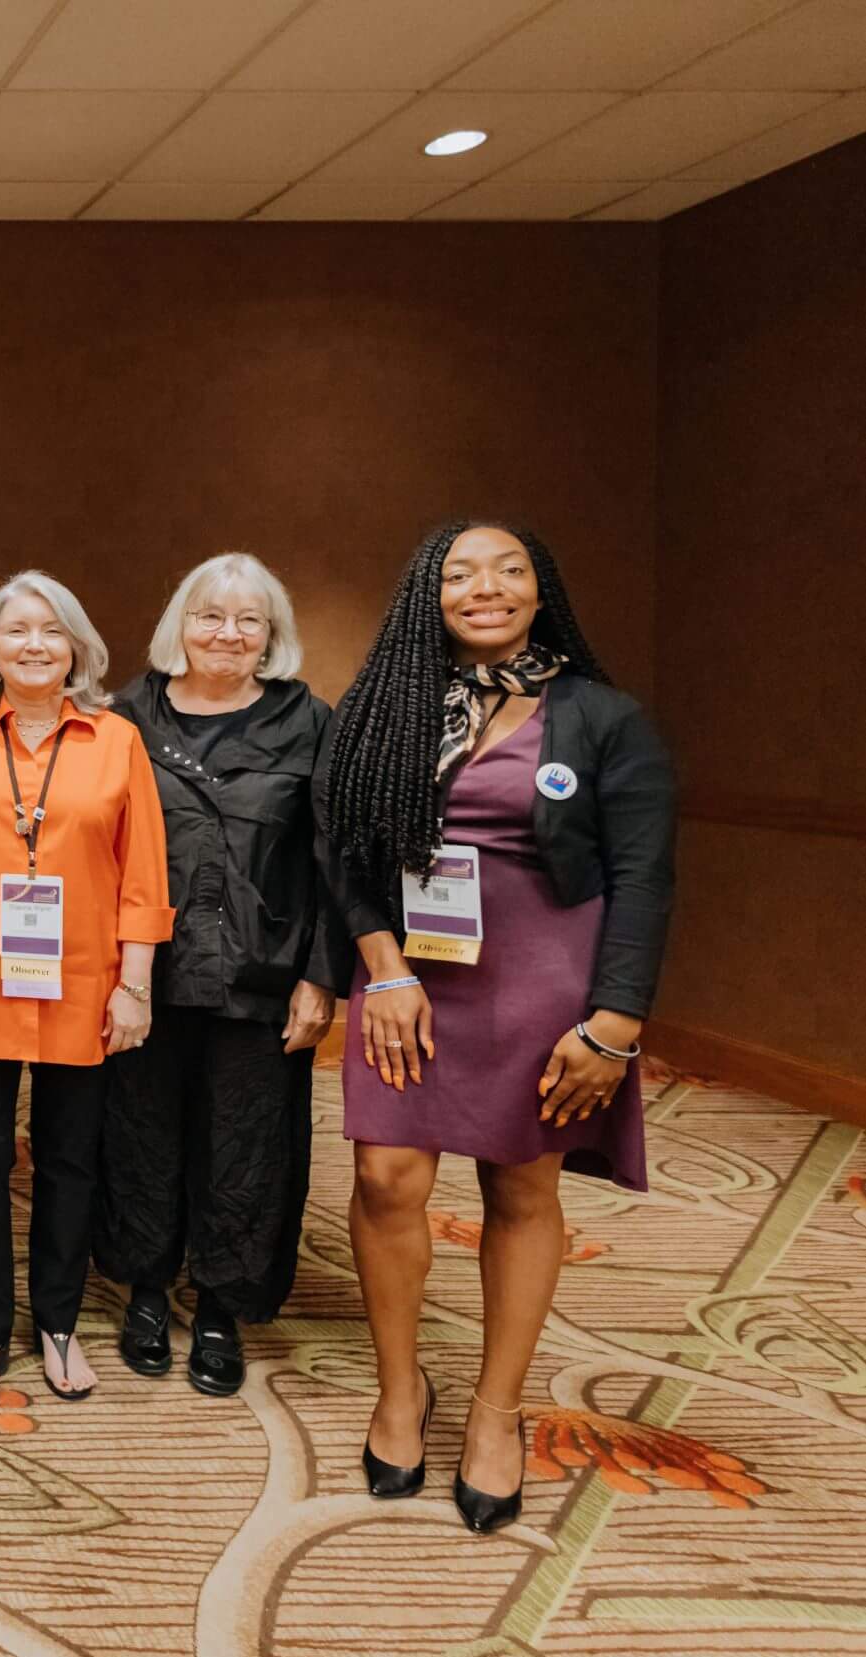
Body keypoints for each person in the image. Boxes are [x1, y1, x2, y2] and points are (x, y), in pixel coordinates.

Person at [317, 520, 672, 1534]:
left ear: (538, 588)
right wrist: (378, 965)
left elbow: (643, 876)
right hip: (407, 978)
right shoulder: (383, 707)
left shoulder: (601, 717)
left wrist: (610, 1025)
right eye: (458, 573)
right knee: (385, 1178)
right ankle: (399, 1390)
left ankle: (493, 1411)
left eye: (508, 569)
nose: (484, 587)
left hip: (542, 980)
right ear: (426, 595)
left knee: (520, 1185)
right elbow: (340, 844)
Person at [0, 571, 171, 1412]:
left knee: (69, 1161)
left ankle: (56, 1321)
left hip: (85, 985)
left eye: (51, 631)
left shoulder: (117, 740)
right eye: (15, 630)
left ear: (77, 647)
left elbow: (142, 872)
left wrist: (134, 986)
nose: (33, 645)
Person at [96, 553, 348, 1397]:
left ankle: (217, 1303)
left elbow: (331, 860)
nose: (227, 634)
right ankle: (142, 1286)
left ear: (270, 637)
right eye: (210, 616)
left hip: (260, 973)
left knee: (246, 1142)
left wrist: (321, 977)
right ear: (180, 624)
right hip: (142, 971)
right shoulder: (124, 715)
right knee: (138, 1129)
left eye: (249, 621)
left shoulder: (308, 721)